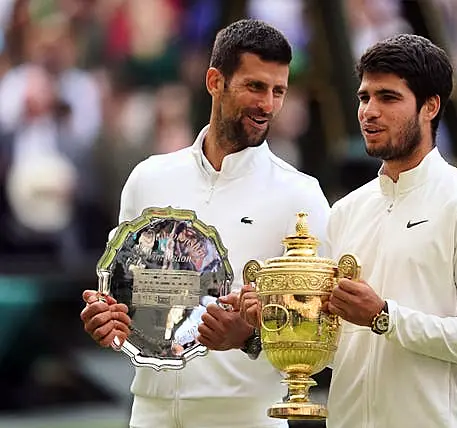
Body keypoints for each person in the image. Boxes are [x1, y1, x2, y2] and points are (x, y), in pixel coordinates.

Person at [240, 34, 457, 428]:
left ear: (430, 106)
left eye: (388, 98)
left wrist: (385, 317)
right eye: (364, 97)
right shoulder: (346, 212)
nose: (369, 111)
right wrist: (278, 319)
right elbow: (347, 350)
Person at [80, 19, 330, 428]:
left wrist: (247, 339)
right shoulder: (148, 178)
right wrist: (106, 320)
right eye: (255, 86)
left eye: (278, 91)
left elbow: (324, 332)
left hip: (248, 416)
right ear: (215, 81)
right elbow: (123, 295)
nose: (268, 104)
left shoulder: (301, 195)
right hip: (150, 411)